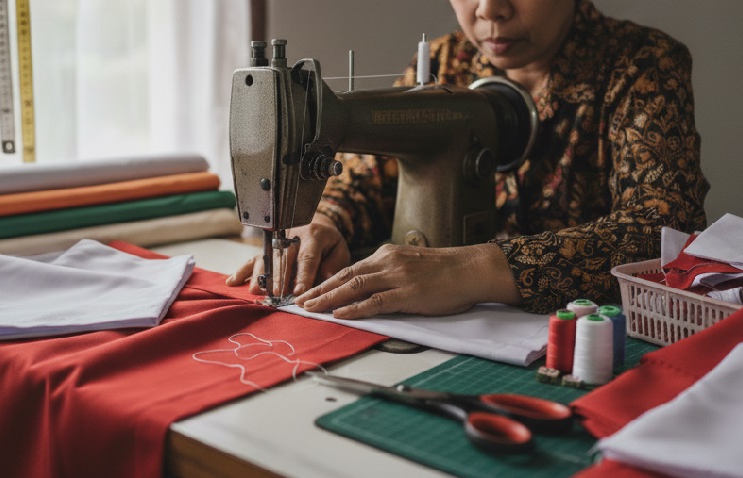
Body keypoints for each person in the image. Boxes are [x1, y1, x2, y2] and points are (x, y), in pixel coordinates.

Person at [227, 0, 709, 319]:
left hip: (580, 339)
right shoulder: (444, 61)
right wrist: (325, 224)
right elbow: (368, 181)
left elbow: (666, 229)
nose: (489, 9)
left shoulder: (641, 64)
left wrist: (469, 269)